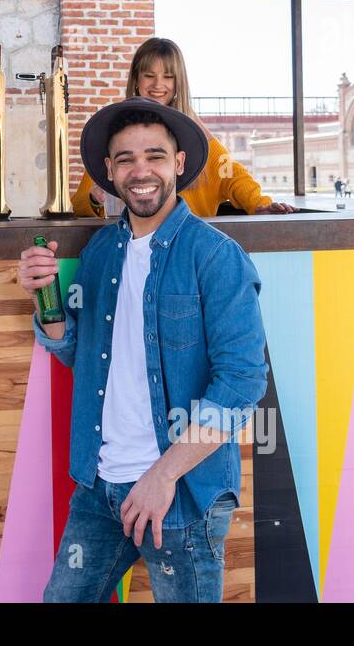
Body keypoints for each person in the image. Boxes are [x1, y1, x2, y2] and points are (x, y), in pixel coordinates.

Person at [18, 97, 268, 602]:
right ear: (109, 172)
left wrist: (162, 475)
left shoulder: (216, 256)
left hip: (181, 493)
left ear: (178, 164)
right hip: (100, 486)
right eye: (126, 159)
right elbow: (81, 355)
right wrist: (44, 302)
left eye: (154, 156)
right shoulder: (100, 254)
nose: (141, 170)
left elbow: (242, 384)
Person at [71, 38, 296, 218]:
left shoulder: (197, 135)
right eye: (149, 76)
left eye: (168, 77)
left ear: (179, 82)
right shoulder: (118, 137)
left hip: (191, 251)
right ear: (136, 80)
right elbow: (81, 203)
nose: (158, 85)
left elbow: (231, 175)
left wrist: (259, 205)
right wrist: (94, 198)